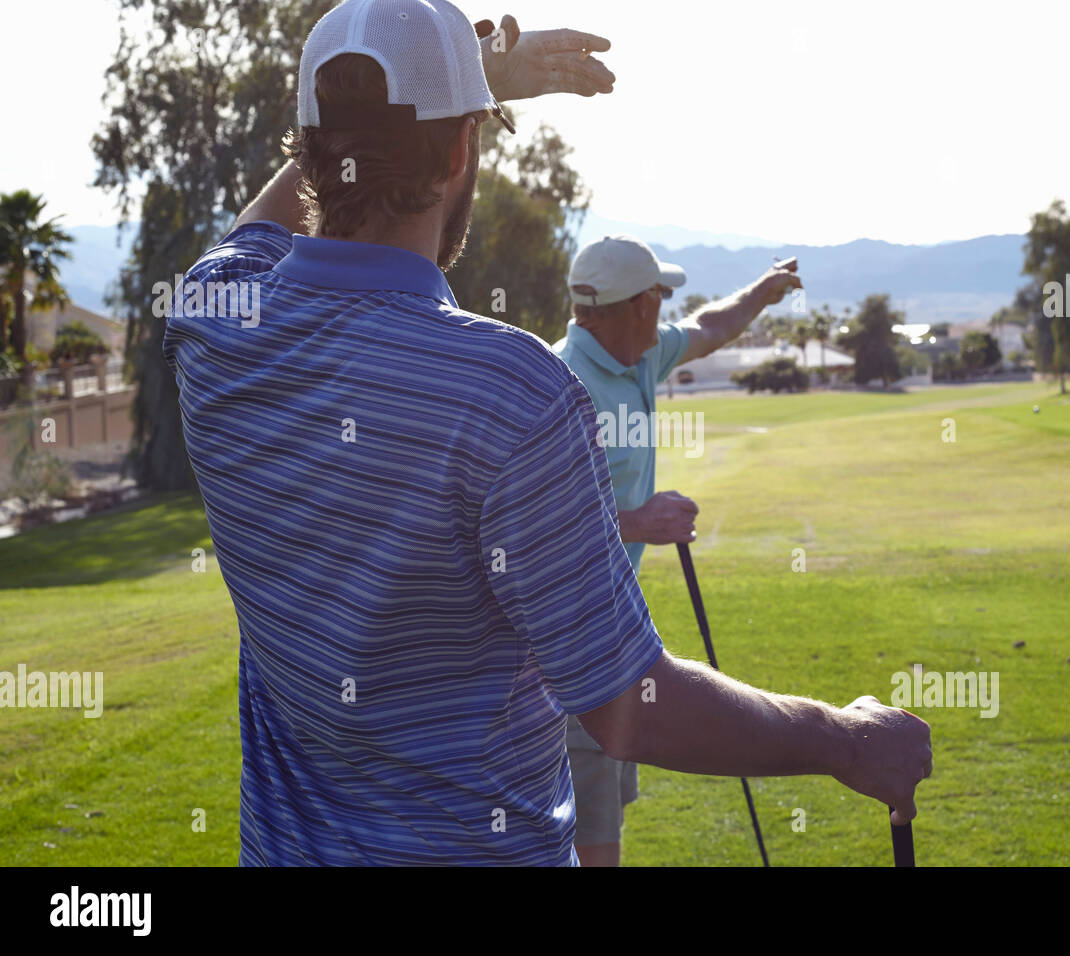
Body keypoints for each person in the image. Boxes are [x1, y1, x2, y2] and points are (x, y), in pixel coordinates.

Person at [164, 0, 931, 866]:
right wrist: (849, 739)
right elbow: (627, 702)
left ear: (307, 153)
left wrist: (457, 83)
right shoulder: (509, 390)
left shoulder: (212, 318)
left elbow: (256, 232)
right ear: (462, 153)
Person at [553, 235, 805, 865]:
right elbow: (538, 526)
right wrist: (639, 520)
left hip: (613, 631)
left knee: (601, 816)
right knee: (592, 848)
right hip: (566, 647)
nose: (666, 308)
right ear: (638, 304)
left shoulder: (639, 356)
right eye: (660, 297)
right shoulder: (560, 383)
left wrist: (765, 290)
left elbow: (711, 326)